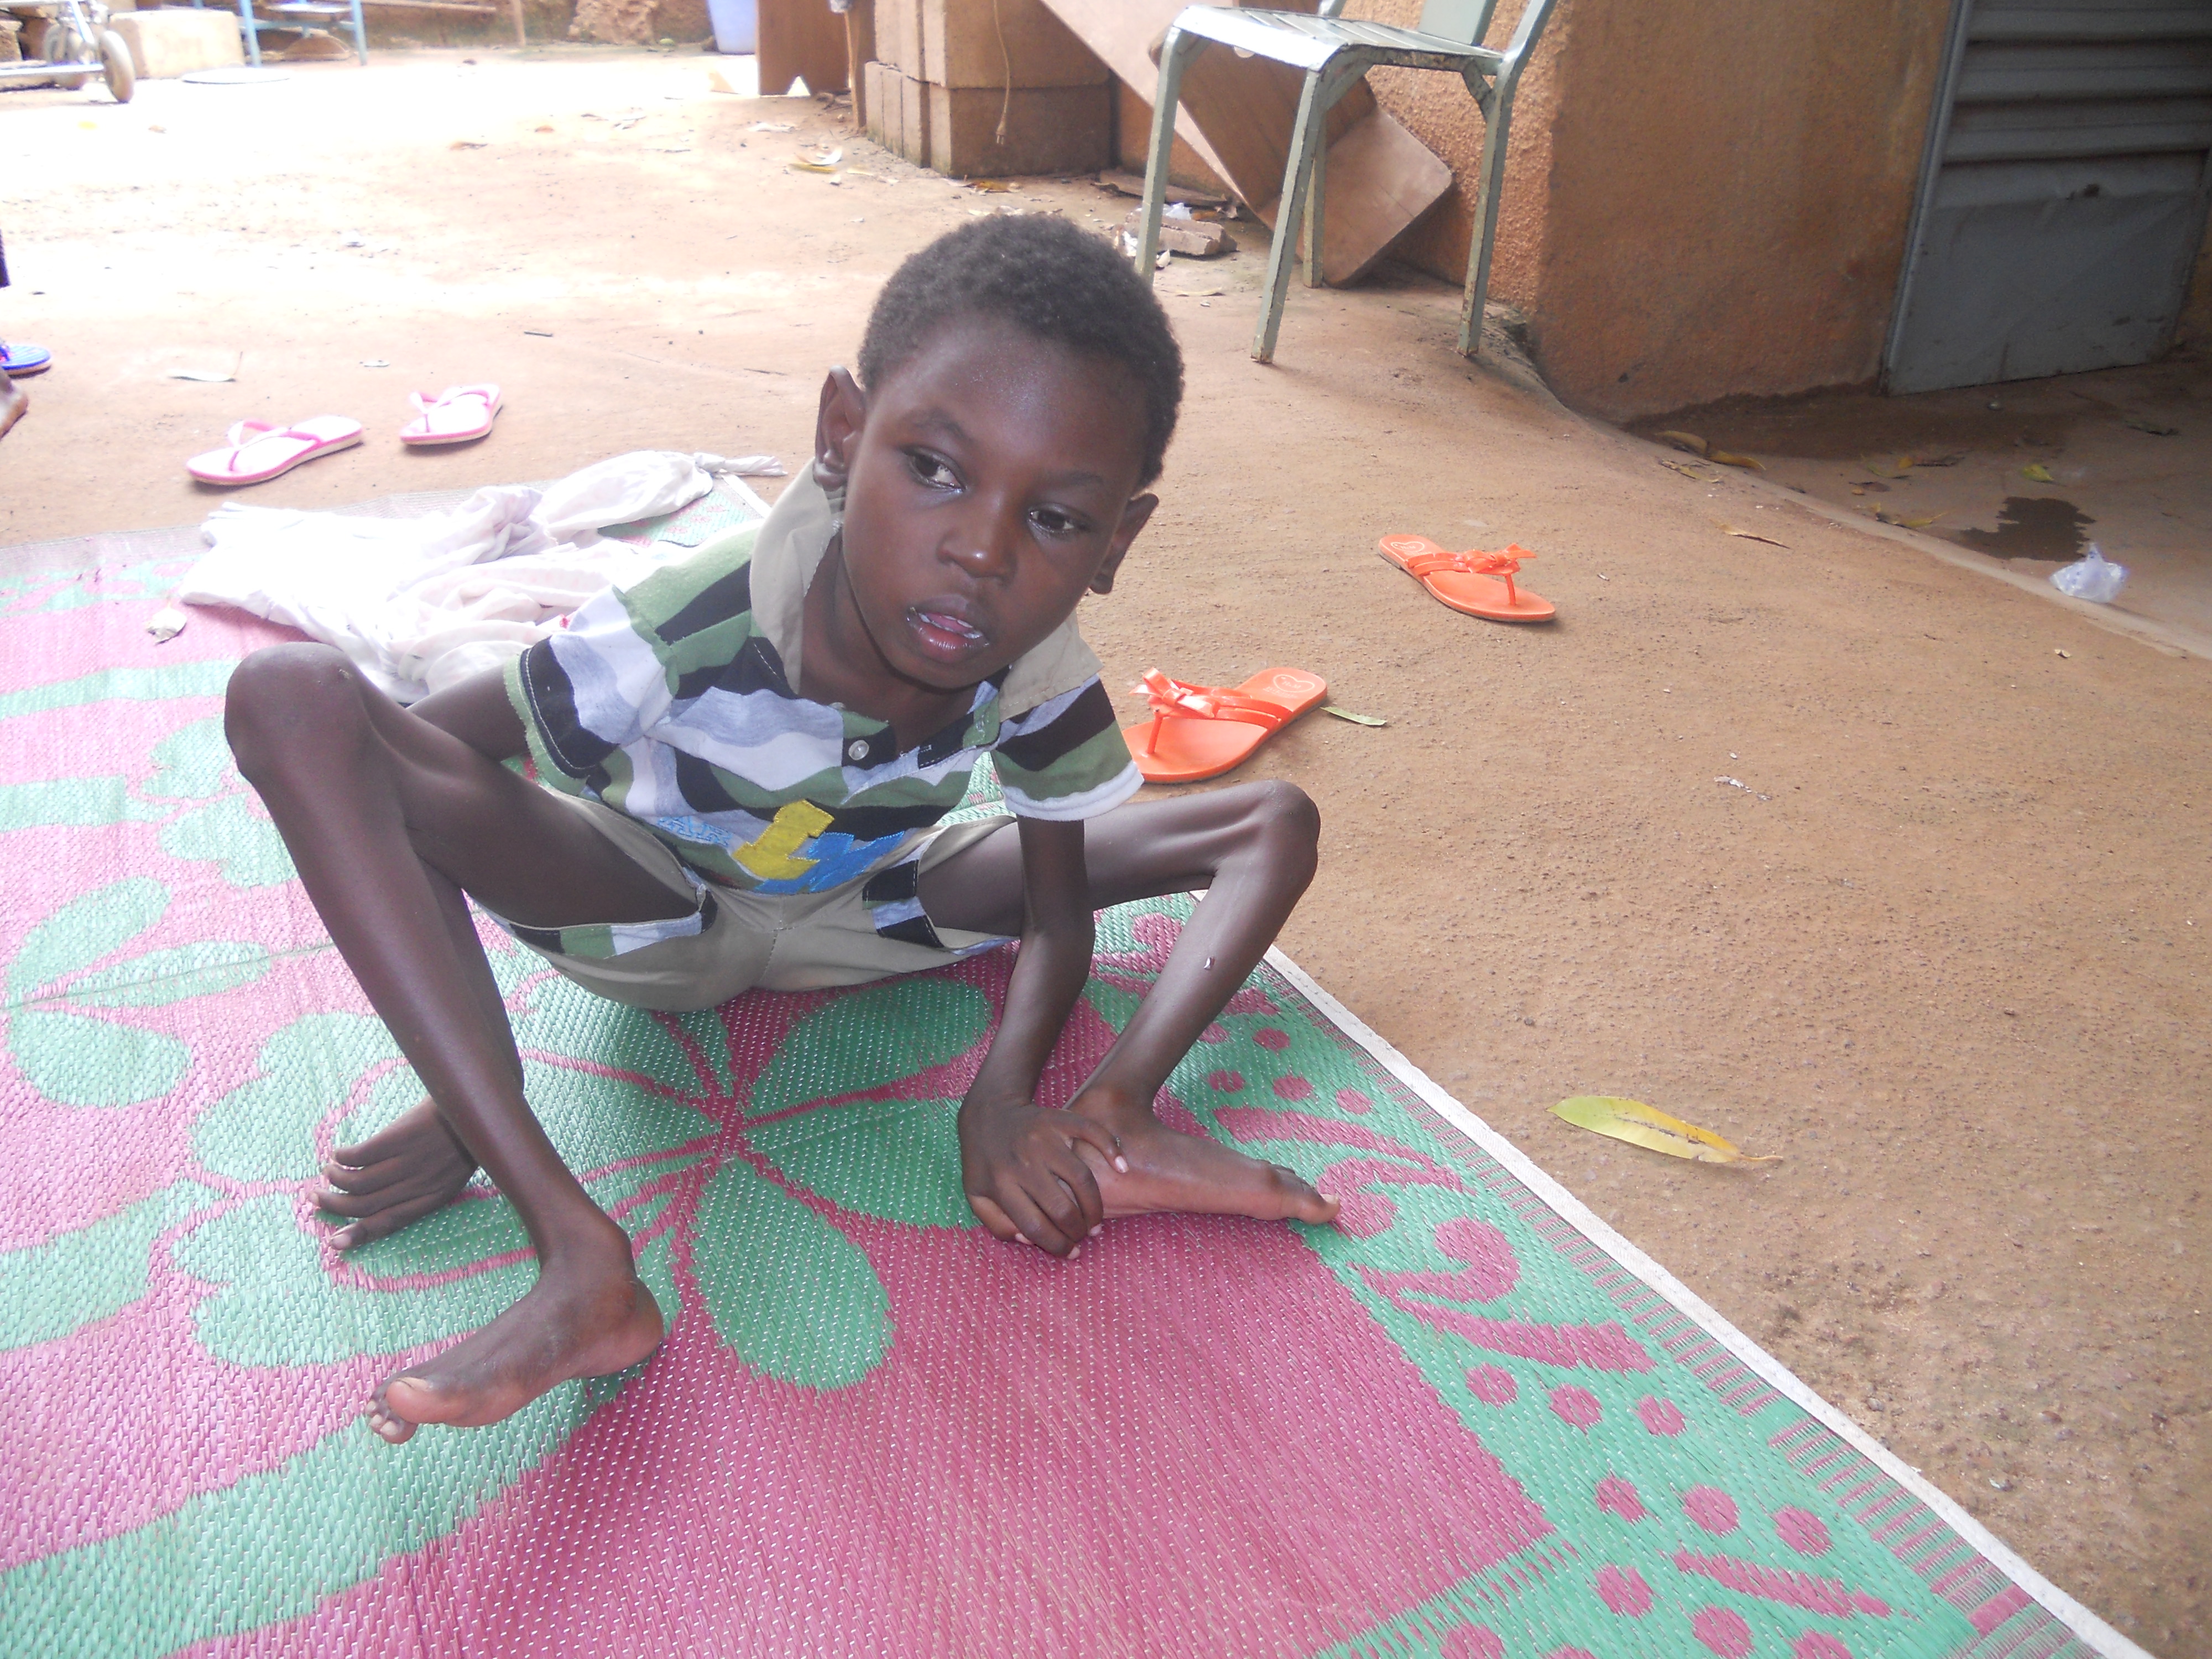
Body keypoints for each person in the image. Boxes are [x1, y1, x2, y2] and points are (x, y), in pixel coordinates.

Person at [225, 216, 1339, 1447]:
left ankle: (1120, 1117)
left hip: (863, 909)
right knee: (296, 699)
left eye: (1056, 520)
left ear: (1116, 540)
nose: (978, 548)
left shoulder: (1036, 664)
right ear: (840, 436)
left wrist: (1009, 1096)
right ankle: (576, 1254)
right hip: (653, 910)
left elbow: (1058, 904)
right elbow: (419, 766)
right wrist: (465, 1077)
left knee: (1271, 819)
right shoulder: (686, 618)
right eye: (933, 468)